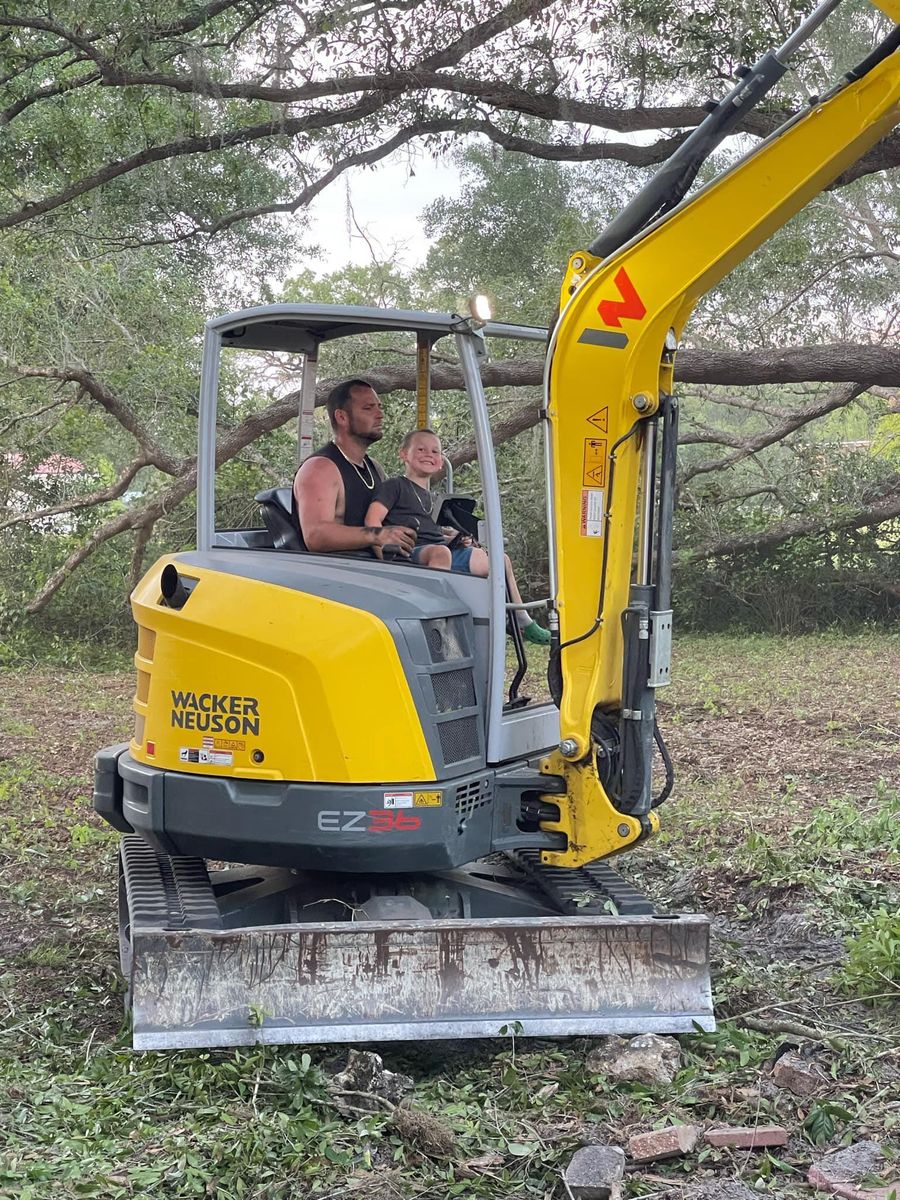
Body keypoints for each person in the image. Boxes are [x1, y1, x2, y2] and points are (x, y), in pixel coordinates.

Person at [364, 428, 551, 646]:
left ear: (441, 462)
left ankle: (520, 620)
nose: (429, 454)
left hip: (440, 551)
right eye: (421, 449)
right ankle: (437, 625)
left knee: (500, 560)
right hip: (406, 554)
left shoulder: (433, 497)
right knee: (440, 552)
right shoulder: (395, 486)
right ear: (404, 454)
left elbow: (432, 531)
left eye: (435, 451)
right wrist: (382, 555)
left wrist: (454, 537)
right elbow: (372, 520)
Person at [292, 378, 416, 557]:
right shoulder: (320, 468)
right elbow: (316, 535)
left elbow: (392, 521)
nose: (379, 414)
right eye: (368, 408)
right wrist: (377, 535)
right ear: (342, 417)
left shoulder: (374, 468)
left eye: (379, 407)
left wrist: (440, 534)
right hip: (341, 576)